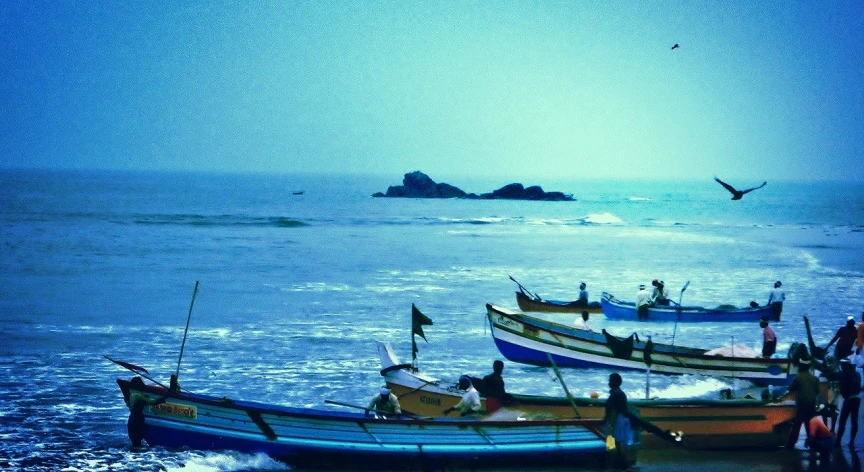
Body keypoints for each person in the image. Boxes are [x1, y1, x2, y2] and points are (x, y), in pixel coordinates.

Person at [787, 359, 821, 448]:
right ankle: (813, 444)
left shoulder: (798, 377)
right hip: (812, 405)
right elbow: (817, 392)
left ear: (801, 367)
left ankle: (791, 445)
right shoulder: (815, 378)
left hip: (802, 405)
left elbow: (791, 389)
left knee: (797, 426)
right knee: (810, 426)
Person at [125, 377, 167, 447]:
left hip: (132, 418)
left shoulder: (132, 395)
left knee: (135, 441)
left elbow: (128, 404)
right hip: (138, 418)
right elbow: (152, 402)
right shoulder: (138, 395)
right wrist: (163, 398)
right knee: (138, 438)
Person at [604, 373, 631, 468]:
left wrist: (611, 426)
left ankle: (616, 465)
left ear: (613, 382)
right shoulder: (621, 393)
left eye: (610, 380)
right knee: (618, 444)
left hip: (615, 422)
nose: (608, 383)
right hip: (619, 421)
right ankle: (623, 465)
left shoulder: (615, 394)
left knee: (612, 445)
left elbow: (614, 411)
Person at [834, 359, 862, 447]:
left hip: (849, 399)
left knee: (843, 421)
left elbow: (834, 376)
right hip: (857, 398)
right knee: (854, 421)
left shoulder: (844, 374)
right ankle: (852, 441)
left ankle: (838, 441)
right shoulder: (856, 374)